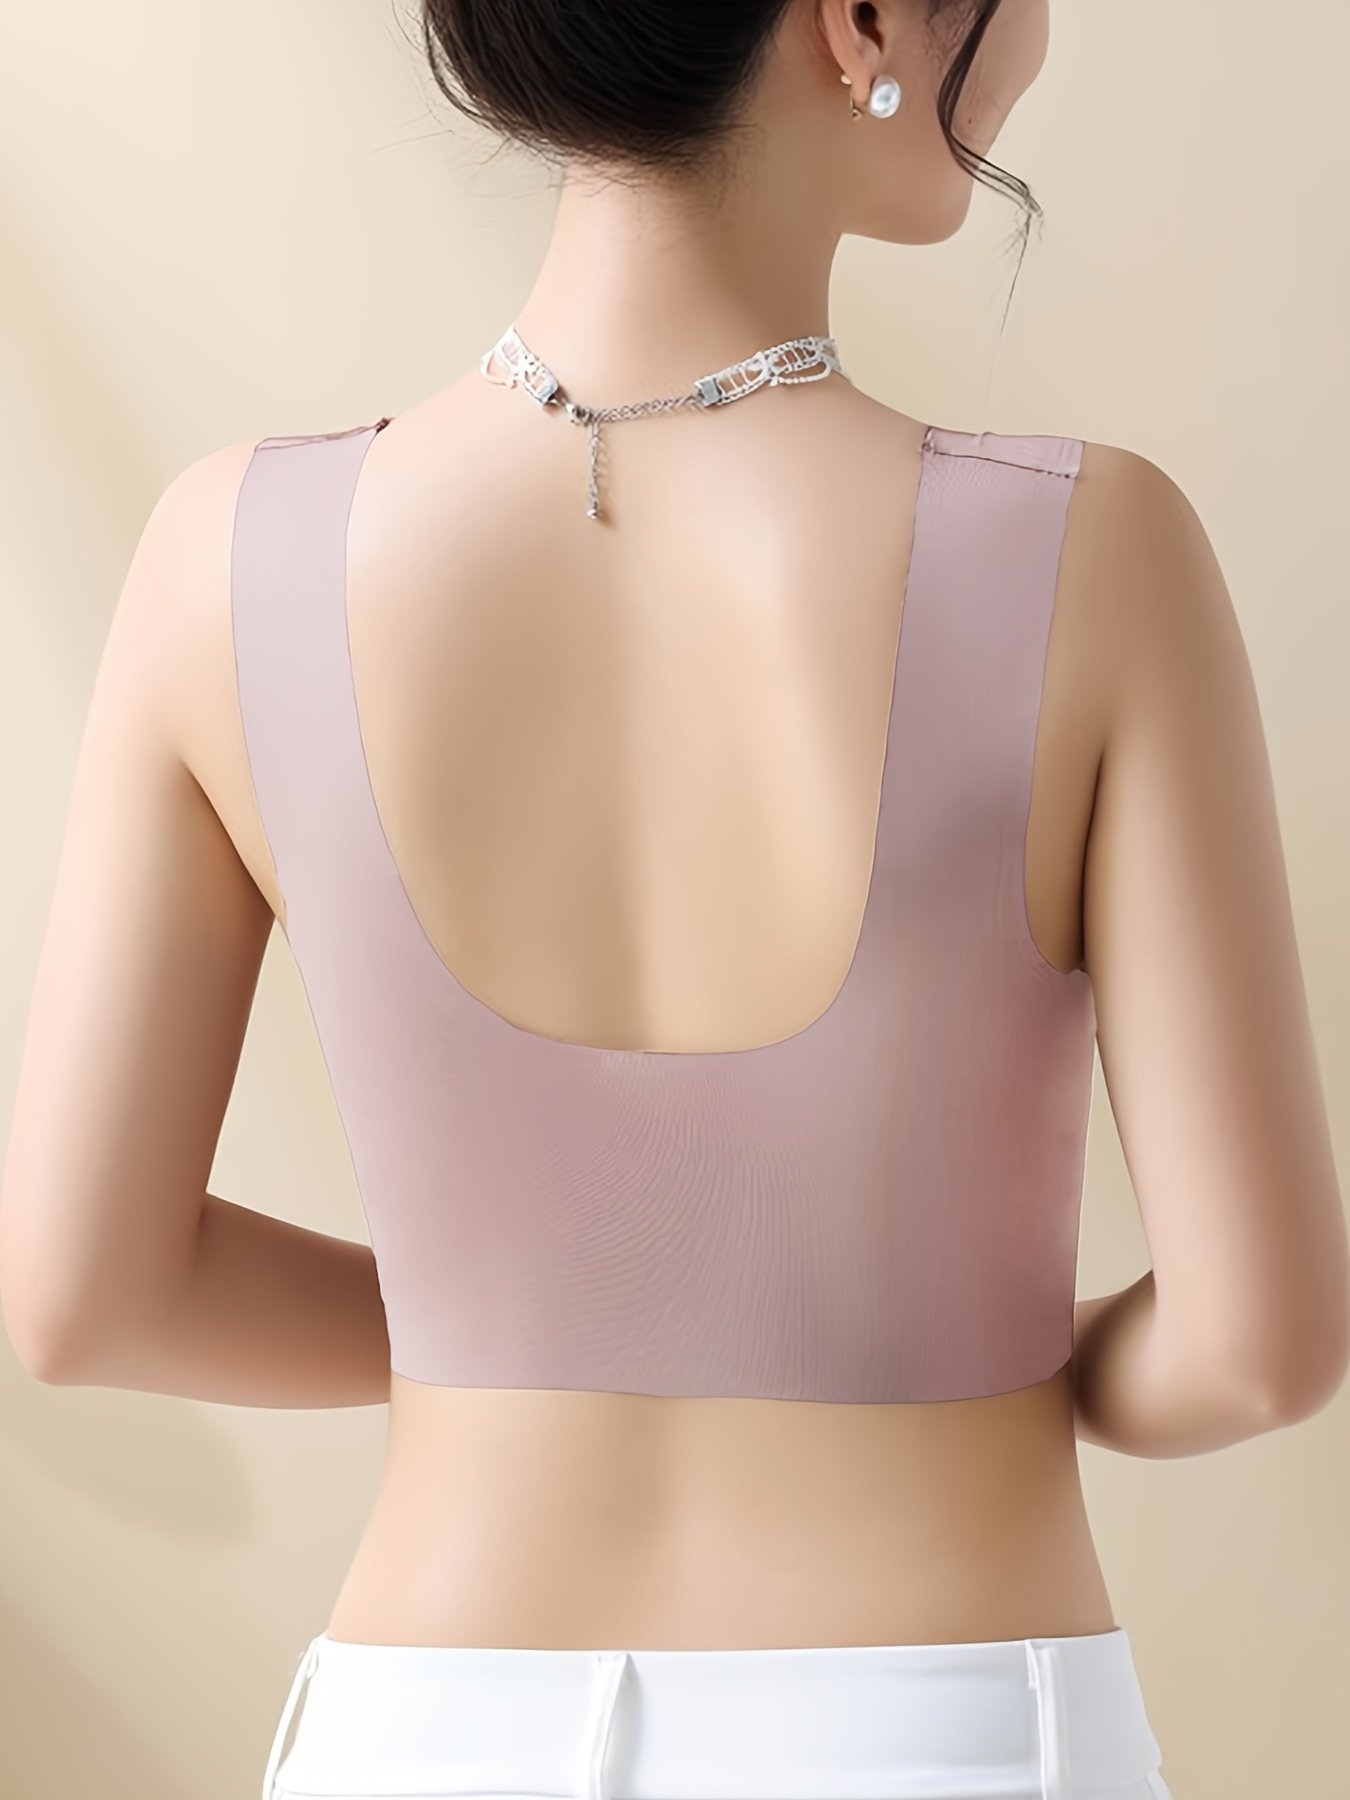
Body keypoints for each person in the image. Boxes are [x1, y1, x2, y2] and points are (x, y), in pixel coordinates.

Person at [0, 2, 1345, 1797]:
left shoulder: (224, 554)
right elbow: (1255, 1351)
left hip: (426, 1731)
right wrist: (958, 1354)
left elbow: (84, 1298)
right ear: (860, 22)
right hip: (936, 1719)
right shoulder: (1088, 552)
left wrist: (534, 1330)